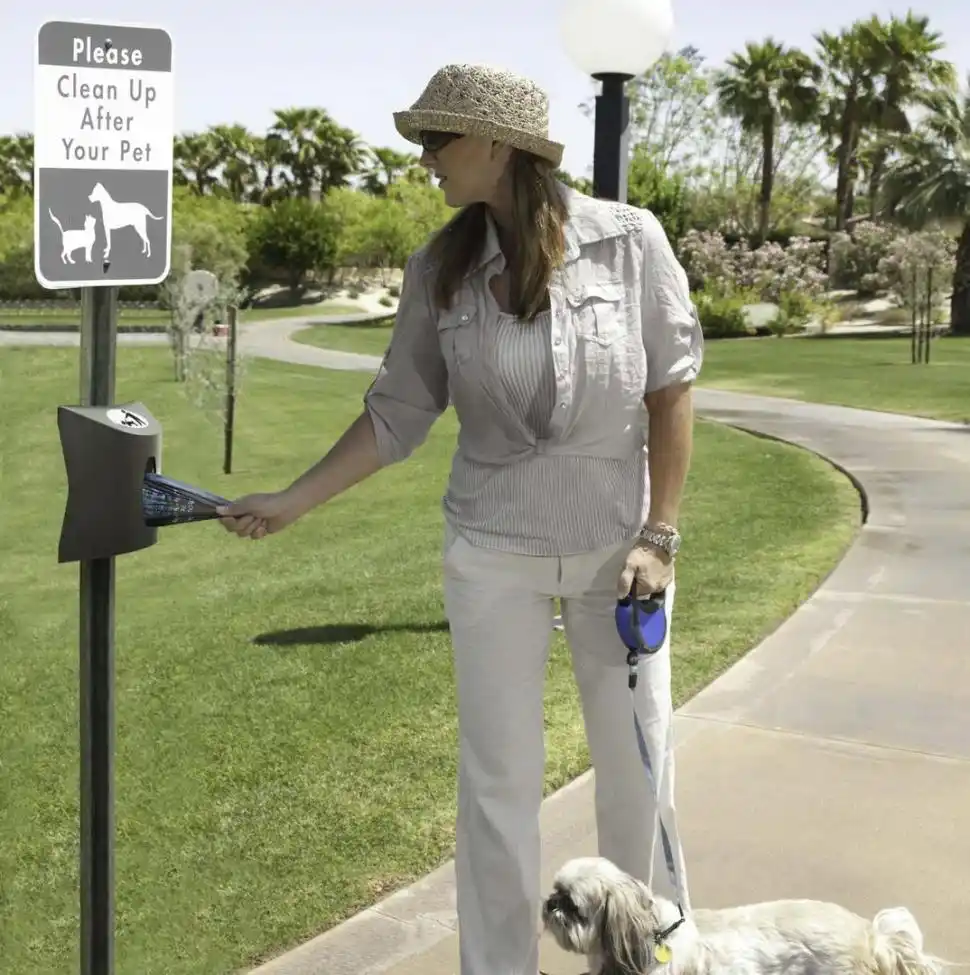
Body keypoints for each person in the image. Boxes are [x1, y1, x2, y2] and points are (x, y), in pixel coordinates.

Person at [217, 63, 704, 975]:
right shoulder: (437, 269)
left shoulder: (631, 241)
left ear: (495, 145)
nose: (426, 159)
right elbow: (397, 413)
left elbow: (670, 389)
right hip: (491, 554)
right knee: (497, 786)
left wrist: (660, 533)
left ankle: (645, 963)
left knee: (640, 774)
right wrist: (291, 501)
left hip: (619, 556)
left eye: (437, 140)